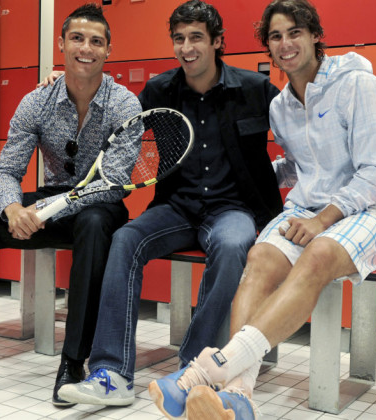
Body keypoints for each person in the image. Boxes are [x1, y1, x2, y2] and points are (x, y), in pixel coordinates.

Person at [147, 0, 376, 418]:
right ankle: (239, 395)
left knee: (317, 254)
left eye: (295, 32)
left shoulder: (358, 85)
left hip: (366, 212)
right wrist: (248, 170)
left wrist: (323, 219)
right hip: (307, 210)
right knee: (259, 257)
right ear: (267, 46)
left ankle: (208, 369)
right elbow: (299, 166)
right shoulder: (281, 105)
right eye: (276, 36)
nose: (285, 44)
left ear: (316, 35)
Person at [53, 0, 283, 408]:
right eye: (179, 39)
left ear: (217, 42)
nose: (186, 47)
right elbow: (111, 119)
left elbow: (300, 130)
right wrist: (62, 89)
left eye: (196, 37)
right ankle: (112, 374)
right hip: (177, 207)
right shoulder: (159, 90)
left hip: (234, 208)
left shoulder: (255, 89)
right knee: (125, 239)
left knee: (232, 247)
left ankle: (193, 369)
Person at [0, 4, 142, 409]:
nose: (86, 48)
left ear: (109, 50)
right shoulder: (36, 100)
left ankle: (74, 361)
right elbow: (7, 170)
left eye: (96, 41)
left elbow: (111, 185)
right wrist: (12, 210)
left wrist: (43, 213)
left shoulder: (124, 105)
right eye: (77, 38)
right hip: (51, 199)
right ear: (61, 44)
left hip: (98, 205)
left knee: (95, 225)